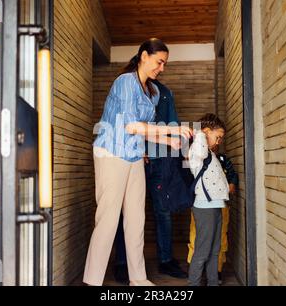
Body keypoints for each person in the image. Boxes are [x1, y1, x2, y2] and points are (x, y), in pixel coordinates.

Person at [83, 38, 193, 286]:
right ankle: (92, 281)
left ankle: (138, 278)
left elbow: (143, 131)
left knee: (136, 220)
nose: (161, 68)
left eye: (164, 64)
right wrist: (173, 132)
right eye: (159, 62)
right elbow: (131, 125)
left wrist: (168, 142)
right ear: (144, 55)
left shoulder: (151, 92)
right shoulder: (125, 82)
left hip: (134, 156)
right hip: (111, 153)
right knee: (108, 219)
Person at [113, 79, 188, 284]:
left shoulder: (164, 91)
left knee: (163, 211)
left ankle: (166, 260)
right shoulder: (129, 88)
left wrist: (176, 154)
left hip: (160, 158)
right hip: (133, 155)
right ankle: (122, 262)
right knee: (126, 212)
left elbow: (172, 124)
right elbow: (124, 123)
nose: (159, 68)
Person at [187, 114, 230, 286]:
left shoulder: (211, 155)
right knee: (202, 251)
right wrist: (200, 134)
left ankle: (213, 282)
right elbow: (201, 150)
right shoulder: (198, 152)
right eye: (217, 137)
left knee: (214, 251)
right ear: (206, 132)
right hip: (205, 207)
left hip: (216, 206)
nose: (219, 141)